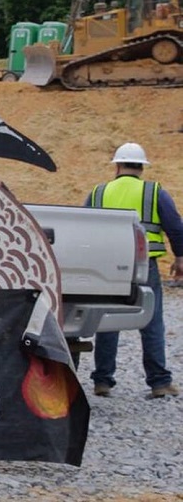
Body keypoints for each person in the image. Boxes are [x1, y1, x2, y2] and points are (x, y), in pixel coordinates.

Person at [86, 142, 182, 399]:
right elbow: (175, 227)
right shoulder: (154, 192)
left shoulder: (98, 192)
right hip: (144, 264)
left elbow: (85, 228)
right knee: (151, 320)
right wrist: (180, 258)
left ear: (117, 166)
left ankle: (102, 381)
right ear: (142, 167)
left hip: (109, 266)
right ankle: (159, 382)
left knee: (107, 319)